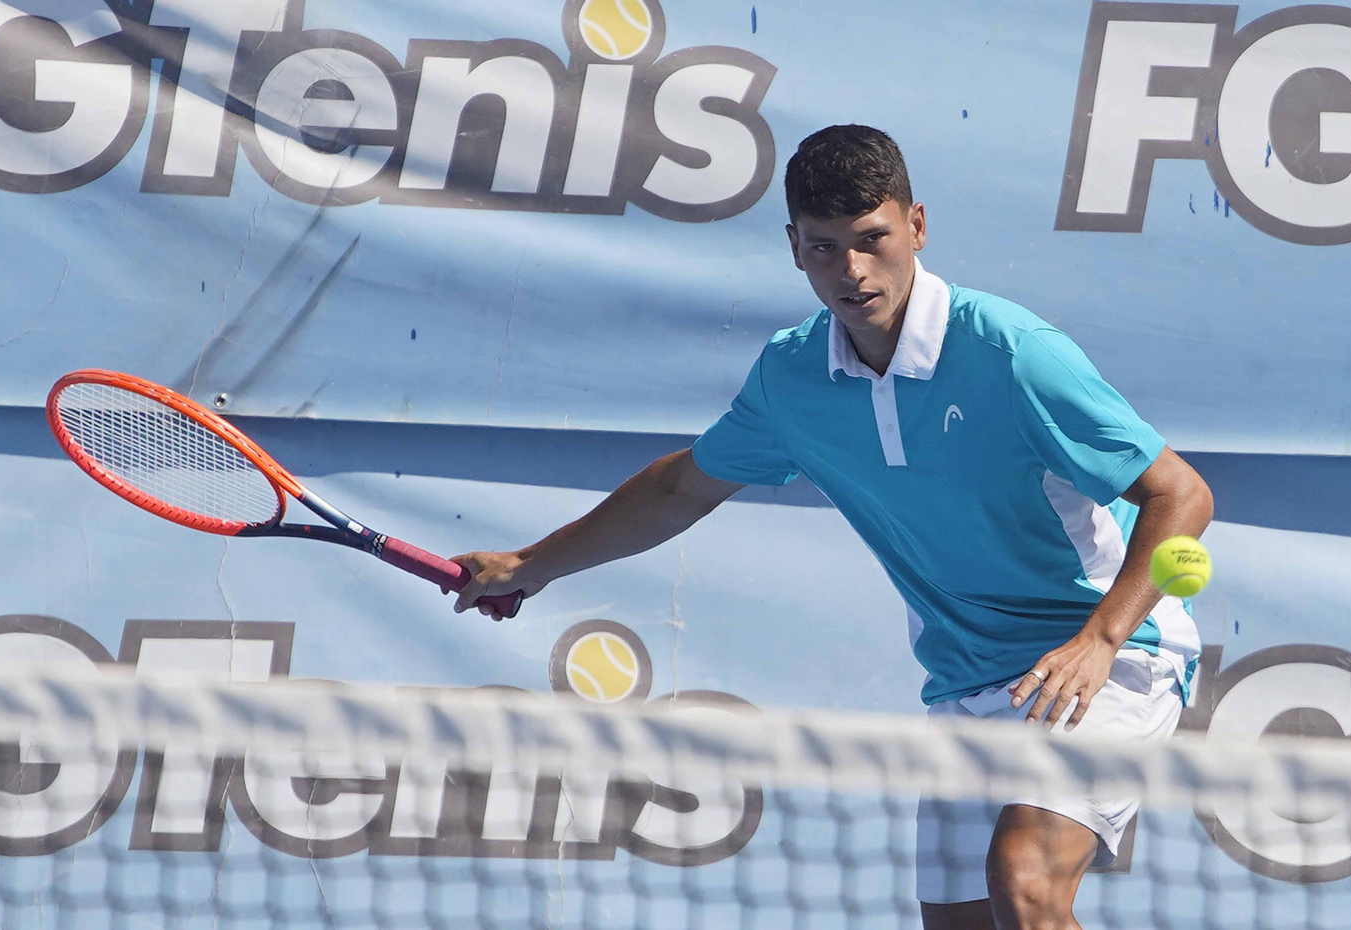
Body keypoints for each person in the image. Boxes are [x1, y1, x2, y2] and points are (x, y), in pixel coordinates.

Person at [450, 124, 1213, 930]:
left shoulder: (1014, 353)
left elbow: (1182, 495)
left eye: (871, 239)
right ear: (794, 248)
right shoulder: (792, 378)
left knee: (1024, 882)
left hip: (1104, 654)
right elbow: (679, 489)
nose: (850, 271)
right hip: (968, 681)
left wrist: (1100, 640)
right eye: (824, 247)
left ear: (916, 226)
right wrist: (528, 565)